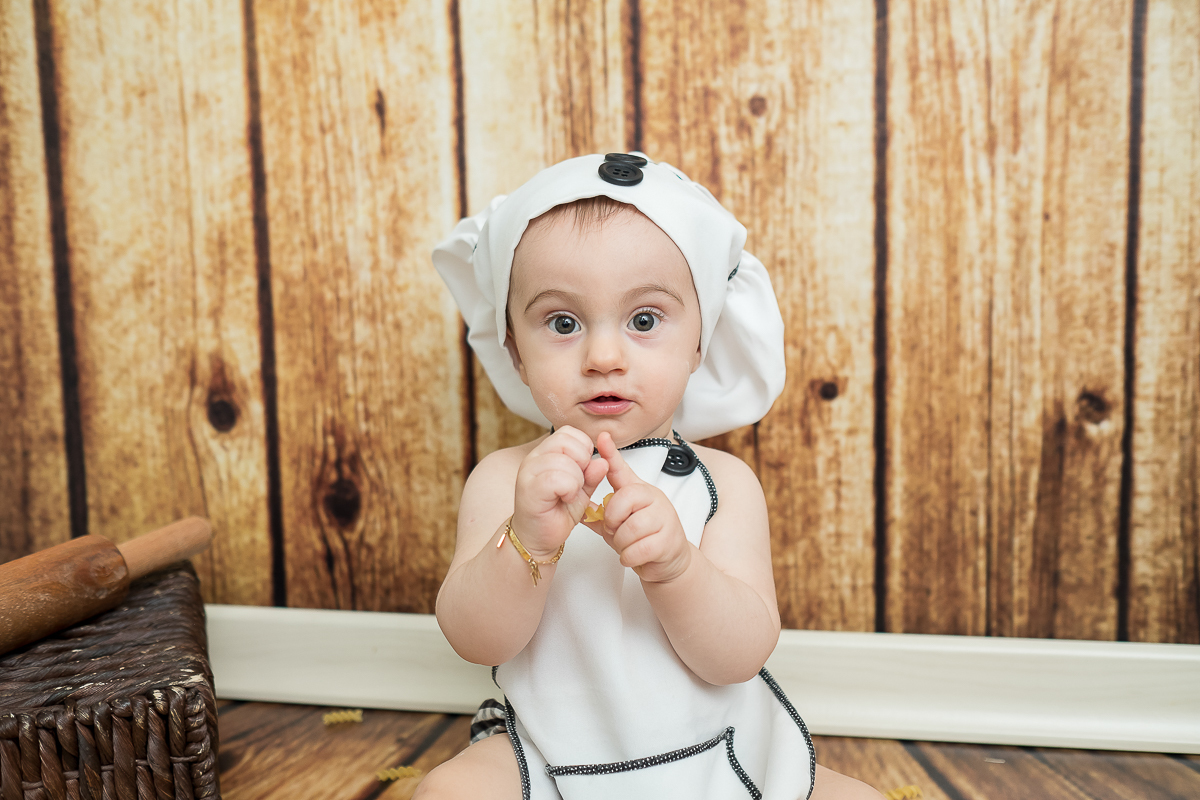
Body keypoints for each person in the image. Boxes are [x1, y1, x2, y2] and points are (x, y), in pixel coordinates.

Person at [421, 154, 882, 800]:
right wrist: (530, 539)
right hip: (550, 750)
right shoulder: (507, 479)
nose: (603, 357)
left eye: (644, 321)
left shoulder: (725, 483)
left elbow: (741, 654)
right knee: (448, 794)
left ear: (699, 341)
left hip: (714, 742)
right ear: (514, 351)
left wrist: (676, 568)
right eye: (562, 323)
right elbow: (475, 639)